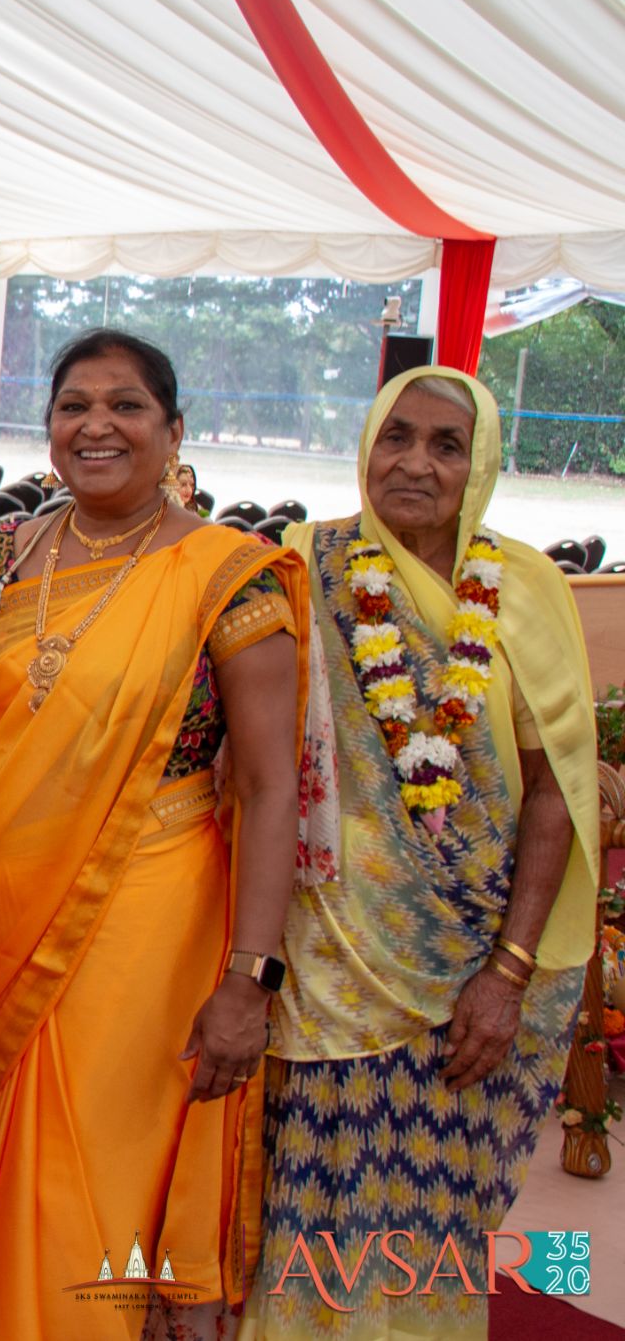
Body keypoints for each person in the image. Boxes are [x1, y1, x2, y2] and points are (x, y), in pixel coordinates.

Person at [0, 329, 306, 1339]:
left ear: (171, 429)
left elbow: (273, 788)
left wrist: (248, 977)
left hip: (147, 911)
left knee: (86, 1163)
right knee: (4, 1148)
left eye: (125, 405)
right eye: (71, 406)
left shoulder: (229, 576)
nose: (95, 425)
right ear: (47, 427)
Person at [240, 366, 599, 1339]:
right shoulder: (295, 565)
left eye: (446, 445)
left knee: (426, 1224)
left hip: (470, 972)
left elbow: (552, 799)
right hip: (324, 968)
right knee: (314, 1209)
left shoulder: (521, 590)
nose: (412, 462)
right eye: (393, 436)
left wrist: (509, 969)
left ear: (479, 464)